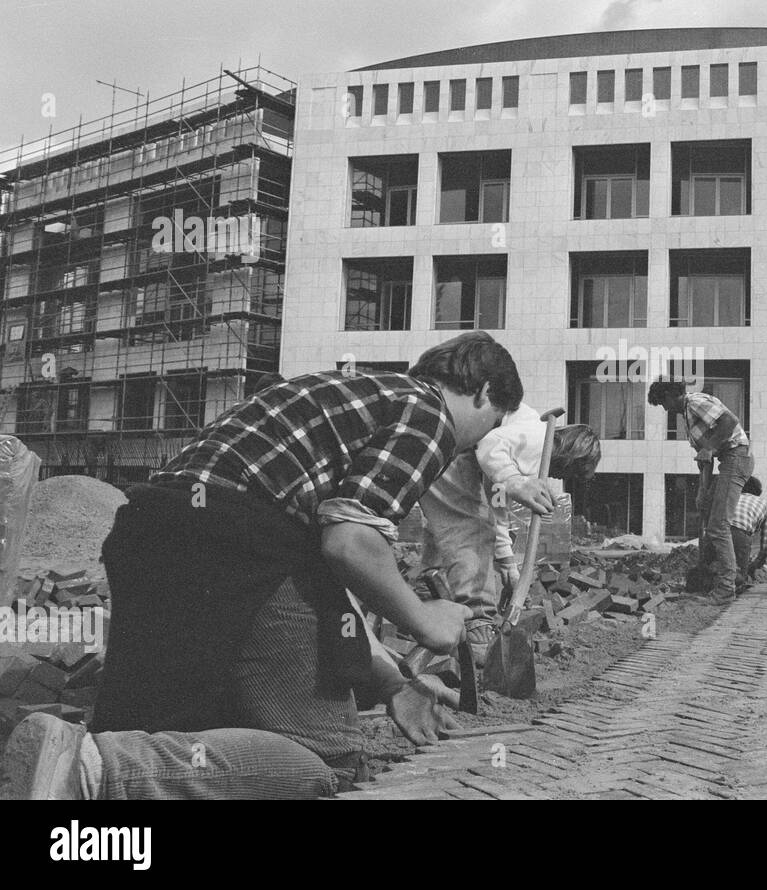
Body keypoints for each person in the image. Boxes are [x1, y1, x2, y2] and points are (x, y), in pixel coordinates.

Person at [0, 332, 524, 800]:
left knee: (175, 720)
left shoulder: (343, 395)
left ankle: (80, 771)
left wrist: (392, 683)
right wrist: (424, 618)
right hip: (237, 536)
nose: (475, 442)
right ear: (481, 394)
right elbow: (350, 544)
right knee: (320, 759)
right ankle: (95, 772)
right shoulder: (429, 413)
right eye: (490, 424)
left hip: (149, 529)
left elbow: (325, 593)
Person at [421, 406, 600, 665]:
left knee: (452, 529)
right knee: (473, 529)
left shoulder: (529, 436)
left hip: (445, 443)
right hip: (451, 447)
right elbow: (491, 444)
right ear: (574, 456)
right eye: (571, 472)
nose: (561, 477)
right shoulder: (540, 441)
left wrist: (506, 561)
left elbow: (496, 503)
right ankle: (478, 627)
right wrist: (515, 481)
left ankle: (428, 598)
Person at [647, 379, 753, 605]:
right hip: (727, 461)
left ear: (671, 394)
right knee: (708, 515)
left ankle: (726, 588)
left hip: (737, 458)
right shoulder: (687, 417)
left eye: (663, 403)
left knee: (718, 525)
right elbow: (704, 460)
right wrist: (702, 491)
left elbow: (730, 421)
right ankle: (711, 578)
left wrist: (711, 447)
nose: (665, 409)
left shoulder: (695, 402)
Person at [730, 476, 767, 591]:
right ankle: (732, 592)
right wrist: (755, 566)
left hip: (716, 530)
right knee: (740, 576)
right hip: (739, 532)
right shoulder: (766, 505)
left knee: (712, 565)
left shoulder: (732, 497)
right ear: (758, 493)